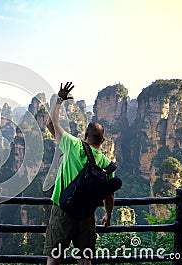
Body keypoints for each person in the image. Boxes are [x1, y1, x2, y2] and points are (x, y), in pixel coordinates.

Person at [43, 82, 115, 265]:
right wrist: (108, 215)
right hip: (87, 214)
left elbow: (50, 123)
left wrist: (59, 100)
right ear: (103, 140)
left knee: (54, 258)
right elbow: (110, 195)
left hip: (63, 210)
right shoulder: (107, 164)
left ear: (85, 135)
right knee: (84, 260)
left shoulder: (73, 145)